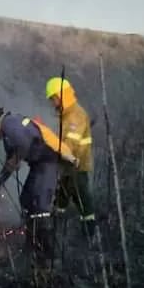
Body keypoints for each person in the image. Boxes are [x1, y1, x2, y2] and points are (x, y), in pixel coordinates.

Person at [0, 99, 80, 279]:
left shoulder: (11, 126)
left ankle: (50, 260)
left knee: (39, 208)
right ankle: (31, 250)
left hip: (48, 163)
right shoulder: (10, 125)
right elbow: (11, 159)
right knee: (26, 200)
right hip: (40, 165)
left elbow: (19, 151)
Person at [44, 76, 96, 240]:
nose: (52, 103)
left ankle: (88, 238)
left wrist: (52, 153)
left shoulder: (74, 116)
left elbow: (69, 146)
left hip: (77, 167)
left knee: (83, 203)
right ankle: (56, 233)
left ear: (60, 96)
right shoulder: (67, 114)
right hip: (68, 168)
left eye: (53, 99)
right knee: (61, 199)